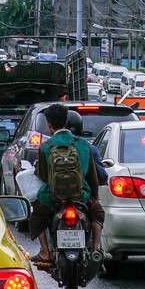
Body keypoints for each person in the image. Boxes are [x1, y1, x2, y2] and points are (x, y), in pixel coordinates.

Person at [26, 102, 102, 269]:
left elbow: (44, 176)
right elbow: (92, 176)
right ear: (66, 121)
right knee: (98, 214)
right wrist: (94, 197)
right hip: (81, 195)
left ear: (49, 125)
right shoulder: (83, 144)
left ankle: (45, 251)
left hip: (53, 197)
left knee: (36, 212)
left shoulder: (46, 146)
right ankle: (97, 249)